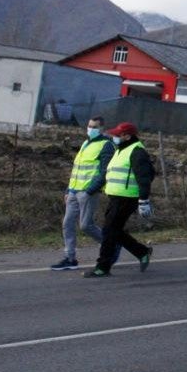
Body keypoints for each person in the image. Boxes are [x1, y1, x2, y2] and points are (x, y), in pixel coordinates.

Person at [84, 123, 154, 278]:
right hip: (116, 197)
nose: (114, 137)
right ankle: (142, 251)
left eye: (118, 134)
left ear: (127, 136)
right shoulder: (121, 150)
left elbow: (145, 177)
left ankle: (103, 267)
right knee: (113, 230)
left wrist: (143, 200)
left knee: (109, 231)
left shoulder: (137, 151)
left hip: (127, 198)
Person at [51, 116, 113, 271]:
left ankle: (110, 244)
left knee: (86, 225)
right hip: (73, 191)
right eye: (89, 125)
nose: (90, 129)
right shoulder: (86, 143)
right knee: (67, 224)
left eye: (95, 127)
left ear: (101, 129)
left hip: (88, 192)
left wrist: (90, 190)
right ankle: (70, 258)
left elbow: (104, 172)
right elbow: (76, 169)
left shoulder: (106, 145)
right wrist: (68, 190)